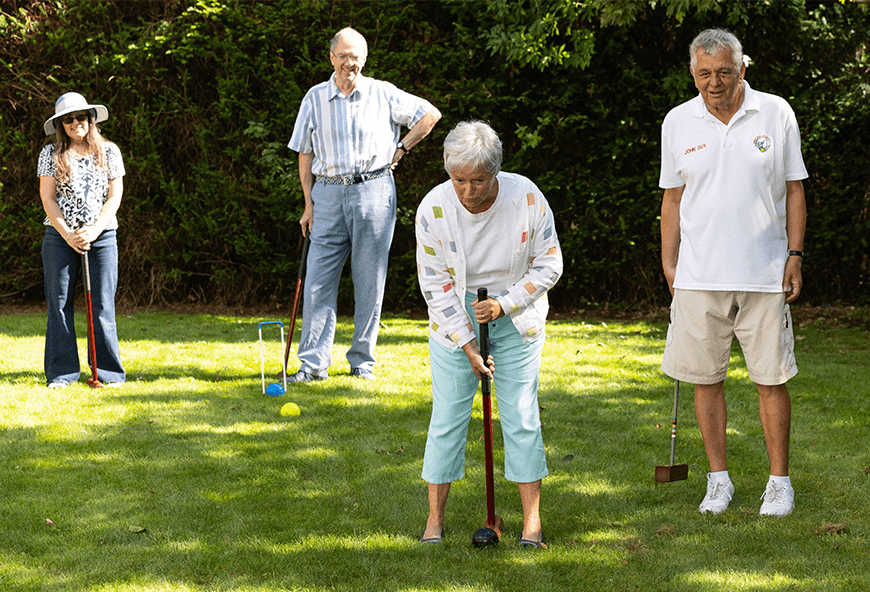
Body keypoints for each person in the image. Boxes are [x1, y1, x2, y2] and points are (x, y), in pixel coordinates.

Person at [659, 29, 808, 517]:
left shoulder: (776, 112)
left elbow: (794, 189)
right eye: (704, 73)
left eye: (724, 71)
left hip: (765, 274)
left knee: (771, 380)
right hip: (699, 276)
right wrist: (669, 262)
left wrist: (795, 254)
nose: (714, 82)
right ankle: (718, 481)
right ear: (692, 74)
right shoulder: (678, 121)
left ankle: (779, 483)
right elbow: (673, 198)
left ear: (743, 67)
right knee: (706, 379)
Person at [415, 121, 562, 547]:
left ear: (495, 172)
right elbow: (434, 284)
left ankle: (531, 524)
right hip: (454, 315)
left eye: (478, 180)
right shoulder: (433, 209)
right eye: (458, 180)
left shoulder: (527, 197)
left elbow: (550, 264)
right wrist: (468, 343)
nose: (468, 190)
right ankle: (434, 522)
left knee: (520, 414)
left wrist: (504, 304)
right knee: (446, 418)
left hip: (517, 314)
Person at [286, 27, 441, 382]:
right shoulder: (313, 98)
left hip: (373, 191)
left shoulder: (382, 93)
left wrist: (401, 148)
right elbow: (304, 152)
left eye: (355, 57)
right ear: (331, 58)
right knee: (318, 280)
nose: (349, 63)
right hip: (326, 194)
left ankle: (362, 362)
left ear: (364, 59)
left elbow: (430, 114)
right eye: (342, 56)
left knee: (370, 279)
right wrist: (308, 202)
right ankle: (312, 365)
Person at [38, 92, 126, 388]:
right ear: (61, 125)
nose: (76, 123)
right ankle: (62, 374)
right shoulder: (50, 154)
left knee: (102, 304)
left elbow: (115, 196)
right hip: (60, 236)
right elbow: (48, 199)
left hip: (102, 235)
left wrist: (95, 229)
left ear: (91, 119)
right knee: (59, 303)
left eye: (81, 117)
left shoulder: (110, 151)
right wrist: (69, 234)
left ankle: (108, 373)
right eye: (68, 119)